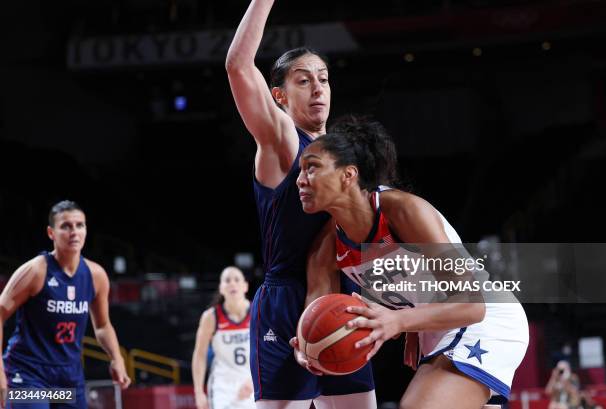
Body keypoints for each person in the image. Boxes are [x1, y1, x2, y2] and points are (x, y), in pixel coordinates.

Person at [295, 118, 530, 409]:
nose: (300, 179)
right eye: (301, 170)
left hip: (485, 319)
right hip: (438, 330)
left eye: (312, 167)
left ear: (348, 174)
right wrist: (307, 347)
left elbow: (473, 305)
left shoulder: (403, 211)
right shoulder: (324, 250)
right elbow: (314, 316)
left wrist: (400, 320)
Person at [226, 1, 376, 408]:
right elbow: (239, 66)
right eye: (304, 80)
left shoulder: (345, 158)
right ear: (279, 96)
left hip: (344, 298)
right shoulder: (284, 141)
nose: (317, 89)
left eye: (323, 80)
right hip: (286, 302)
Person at [0, 200, 131, 409]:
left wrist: (117, 358)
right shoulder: (35, 271)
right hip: (28, 374)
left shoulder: (96, 275)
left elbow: (103, 326)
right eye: (66, 226)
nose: (74, 232)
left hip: (67, 377)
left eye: (80, 225)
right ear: (51, 233)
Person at [192, 266, 254, 409]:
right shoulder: (211, 317)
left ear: (245, 286)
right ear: (221, 288)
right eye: (227, 280)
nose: (232, 283)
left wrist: (255, 380)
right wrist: (198, 391)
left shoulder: (257, 312)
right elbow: (199, 355)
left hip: (251, 383)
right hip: (223, 387)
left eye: (237, 280)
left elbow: (266, 350)